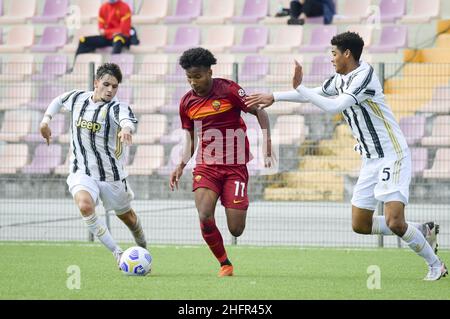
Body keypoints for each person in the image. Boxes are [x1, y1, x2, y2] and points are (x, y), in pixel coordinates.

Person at [245, 32, 448, 281]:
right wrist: (275, 96)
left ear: (347, 54)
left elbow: (333, 106)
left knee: (395, 222)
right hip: (371, 159)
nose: (331, 59)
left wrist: (298, 87)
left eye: (334, 53)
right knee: (360, 224)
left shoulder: (364, 76)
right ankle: (422, 229)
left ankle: (436, 265)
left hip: (392, 155)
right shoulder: (341, 79)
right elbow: (317, 92)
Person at [169, 47, 274, 277]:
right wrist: (181, 164)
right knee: (205, 215)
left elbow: (260, 112)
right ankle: (225, 263)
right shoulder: (186, 103)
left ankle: (237, 199)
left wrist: (267, 143)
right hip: (207, 165)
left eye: (197, 76)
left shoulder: (229, 90)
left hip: (235, 165)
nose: (193, 82)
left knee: (236, 229)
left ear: (209, 72)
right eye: (189, 78)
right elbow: (190, 136)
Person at [39, 63, 147, 268]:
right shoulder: (77, 98)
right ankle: (118, 252)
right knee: (85, 205)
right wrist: (45, 121)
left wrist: (126, 129)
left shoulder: (117, 107)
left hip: (111, 176)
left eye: (115, 86)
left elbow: (126, 120)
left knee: (129, 218)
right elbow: (58, 100)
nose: (110, 90)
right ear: (95, 83)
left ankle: (143, 249)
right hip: (82, 171)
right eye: (106, 84)